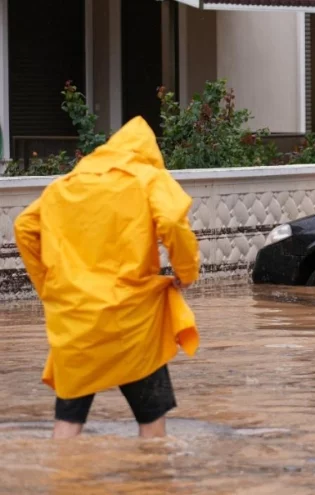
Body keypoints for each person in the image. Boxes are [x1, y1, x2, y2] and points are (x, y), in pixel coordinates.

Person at [13, 116, 200, 439]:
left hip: (75, 319)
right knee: (151, 417)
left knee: (69, 420)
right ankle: (152, 471)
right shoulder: (148, 178)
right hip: (132, 320)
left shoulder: (65, 185)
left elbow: (24, 227)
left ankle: (59, 469)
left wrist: (49, 287)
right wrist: (186, 272)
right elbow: (171, 221)